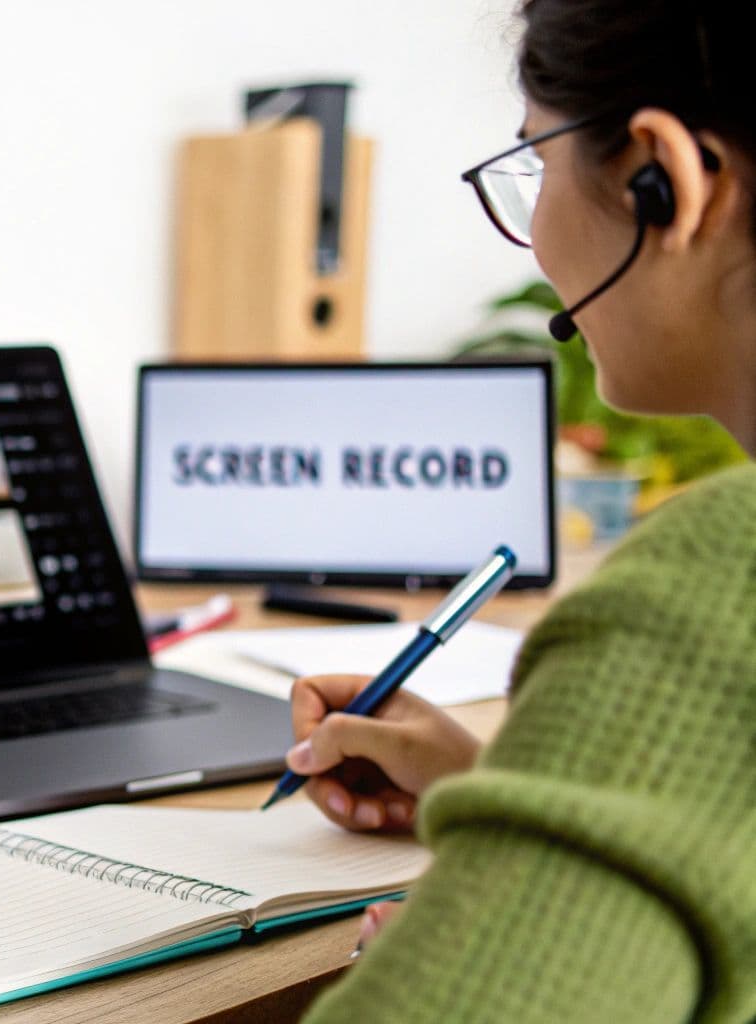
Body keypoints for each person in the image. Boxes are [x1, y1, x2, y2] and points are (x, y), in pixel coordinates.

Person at [295, 3, 756, 1021]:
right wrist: (537, 787)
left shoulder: (719, 579)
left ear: (658, 178)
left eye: (531, 167)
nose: (533, 240)